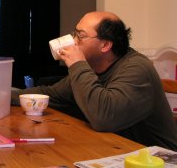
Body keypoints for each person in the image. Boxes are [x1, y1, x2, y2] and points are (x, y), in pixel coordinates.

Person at [12, 11, 177, 150]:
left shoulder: (137, 69)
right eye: (74, 33)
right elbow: (51, 94)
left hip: (154, 158)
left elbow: (103, 117)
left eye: (80, 36)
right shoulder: (91, 67)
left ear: (105, 45)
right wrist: (2, 97)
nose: (73, 41)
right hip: (114, 149)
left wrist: (77, 64)